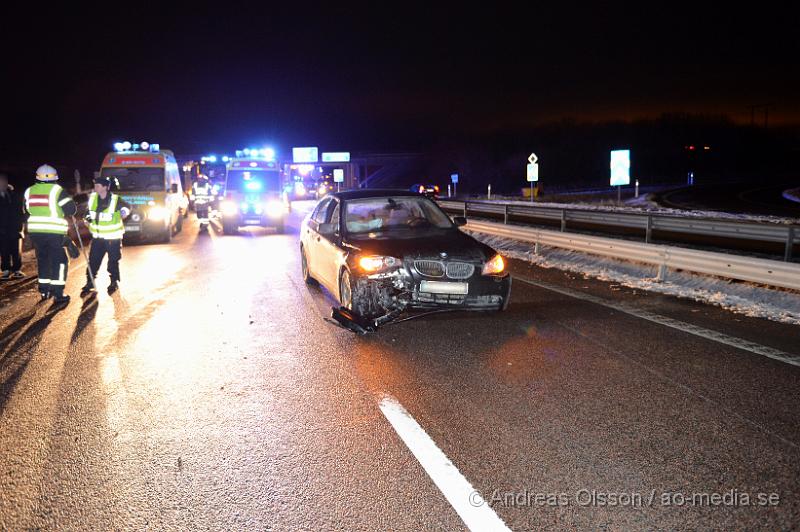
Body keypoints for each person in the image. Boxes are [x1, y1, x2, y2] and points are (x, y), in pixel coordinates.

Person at [23, 164, 77, 306]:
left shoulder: (29, 191)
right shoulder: (57, 190)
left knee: (43, 260)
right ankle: (58, 293)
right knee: (60, 262)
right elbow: (71, 209)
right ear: (54, 178)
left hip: (36, 232)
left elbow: (26, 210)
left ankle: (44, 290)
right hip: (53, 232)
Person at [81, 176, 131, 295]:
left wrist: (124, 212)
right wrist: (87, 220)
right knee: (93, 261)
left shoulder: (115, 199)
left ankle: (113, 282)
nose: (95, 188)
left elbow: (127, 207)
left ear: (105, 187)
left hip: (113, 237)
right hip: (98, 238)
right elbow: (87, 213)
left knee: (113, 261)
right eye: (95, 185)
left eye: (98, 185)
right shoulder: (93, 198)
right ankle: (90, 282)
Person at [0, 173, 25, 279]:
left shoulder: (14, 195)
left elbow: (21, 210)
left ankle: (17, 270)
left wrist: (21, 223)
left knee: (16, 250)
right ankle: (5, 270)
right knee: (4, 250)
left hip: (15, 228)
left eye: (3, 181)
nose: (2, 183)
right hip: (2, 229)